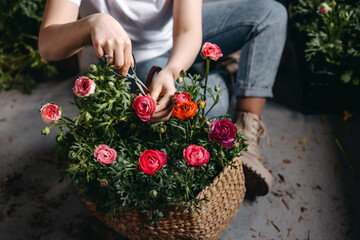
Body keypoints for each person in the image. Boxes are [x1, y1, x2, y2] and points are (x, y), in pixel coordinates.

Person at [39, 0, 287, 196]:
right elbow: (48, 45)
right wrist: (92, 23)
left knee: (271, 14)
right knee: (207, 107)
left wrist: (172, 70)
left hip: (177, 33)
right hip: (135, 58)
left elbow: (188, 30)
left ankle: (247, 127)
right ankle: (224, 74)